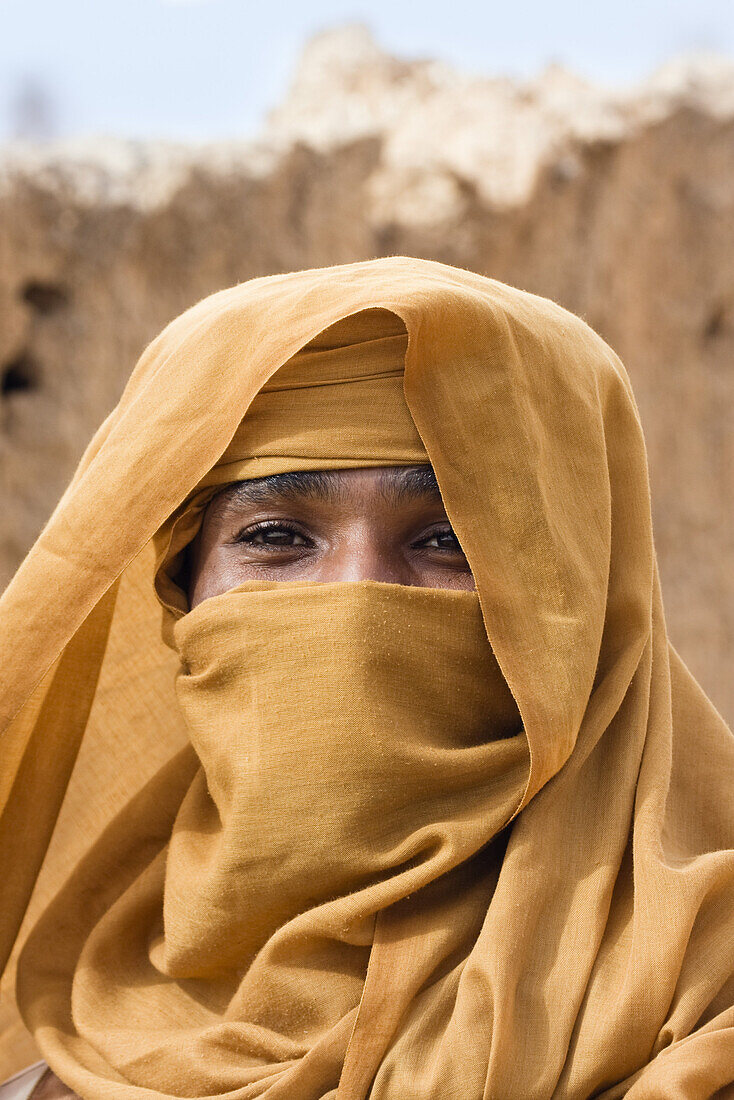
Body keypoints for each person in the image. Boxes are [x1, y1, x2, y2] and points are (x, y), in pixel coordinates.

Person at [0, 257, 732, 1099]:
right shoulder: (66, 1066)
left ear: (582, 603)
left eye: (450, 541)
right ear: (183, 591)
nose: (356, 598)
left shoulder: (703, 1011)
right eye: (276, 535)